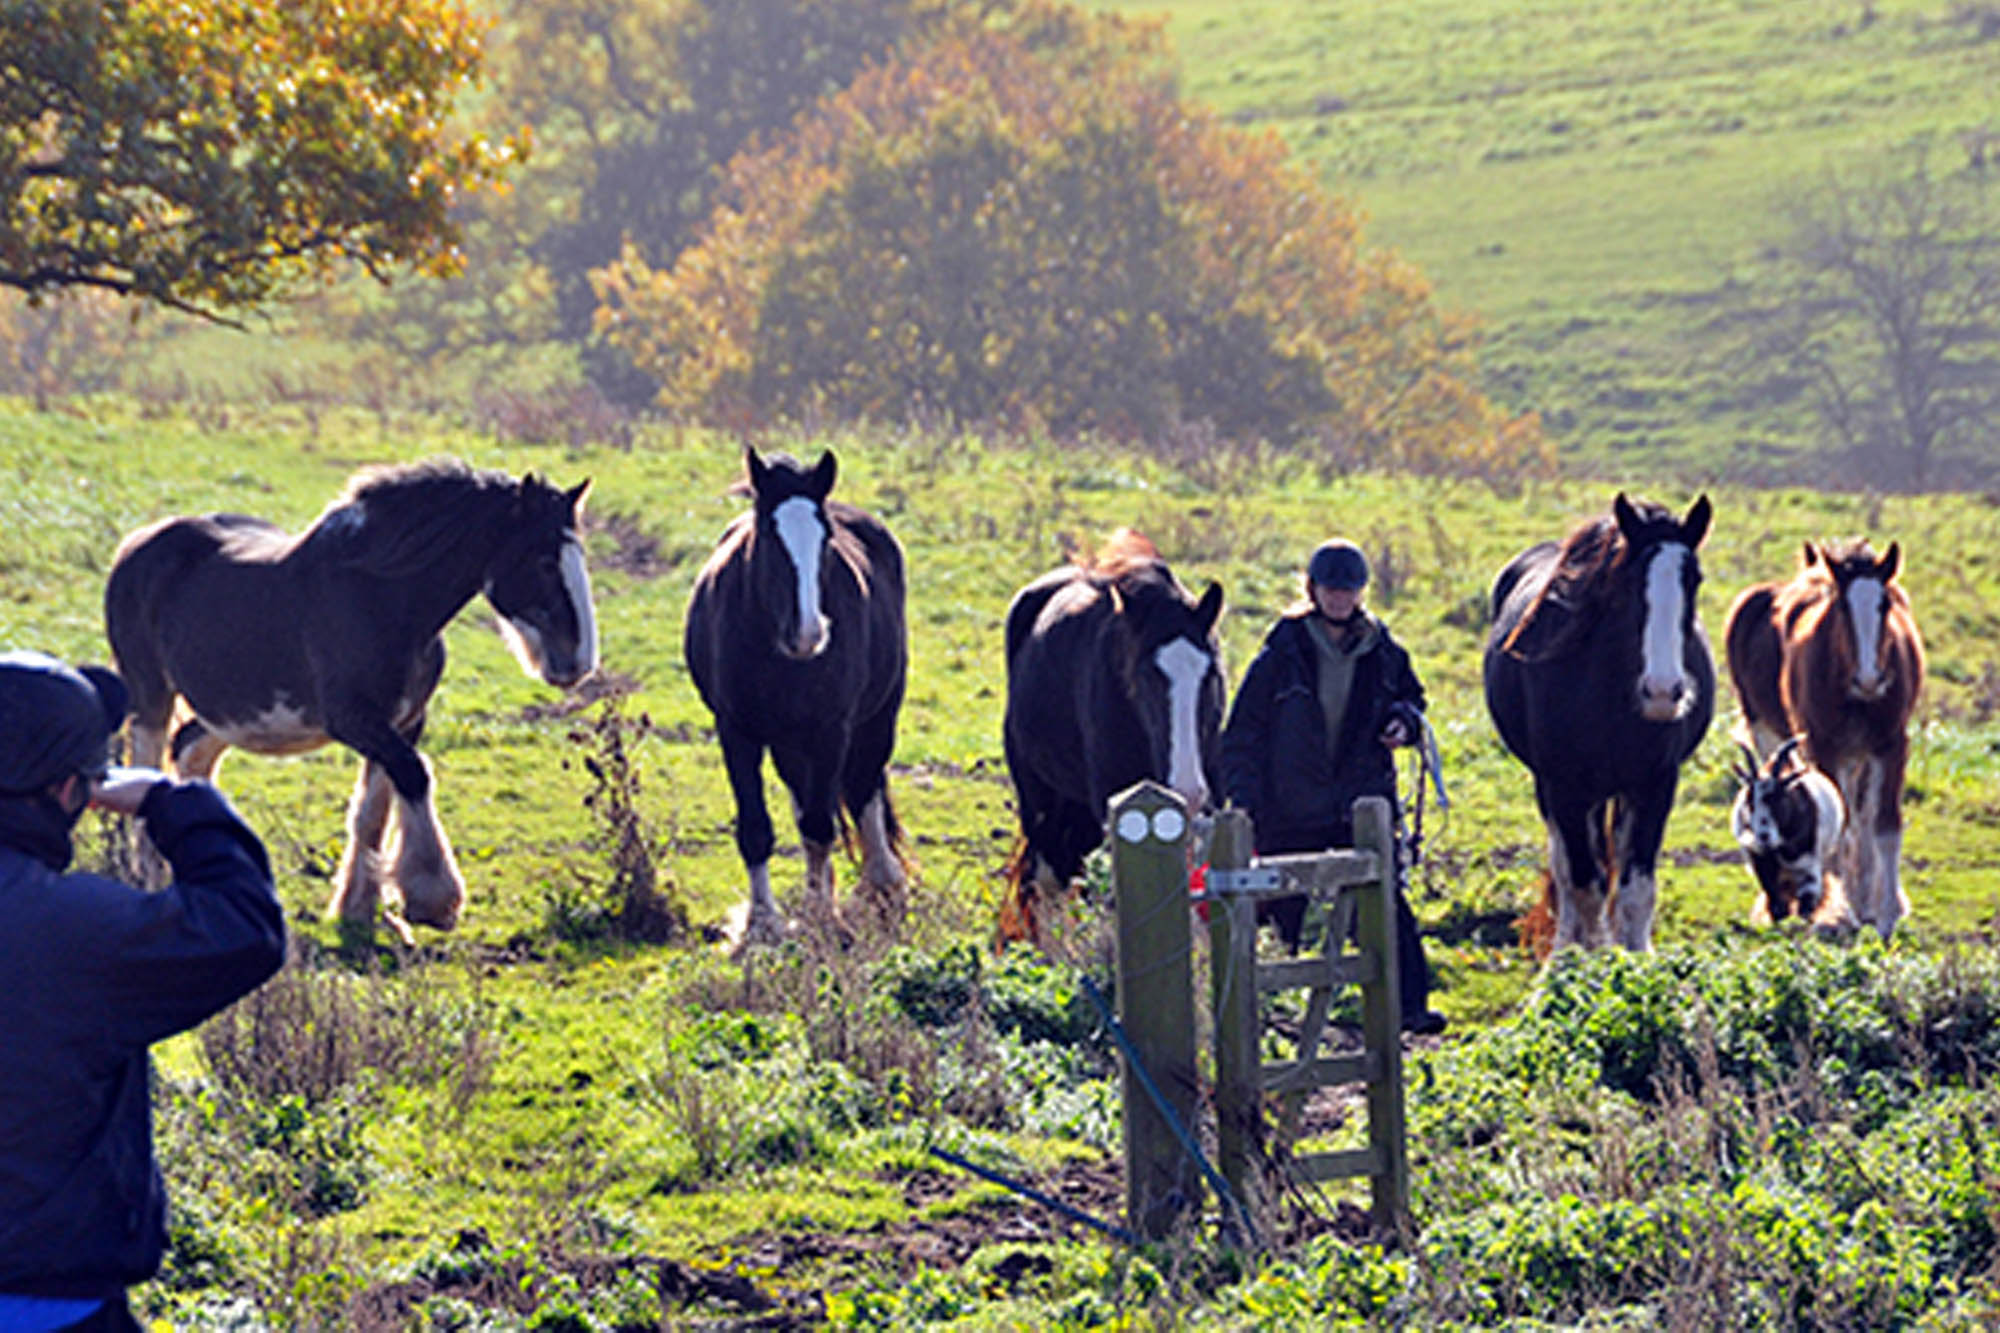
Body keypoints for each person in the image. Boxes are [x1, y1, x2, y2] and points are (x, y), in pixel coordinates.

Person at [0, 651, 284, 1331]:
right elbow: (245, 925)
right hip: (53, 1308)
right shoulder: (79, 931)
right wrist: (175, 802)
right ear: (72, 791)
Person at [1220, 540, 1447, 1035]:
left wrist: (1404, 722)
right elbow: (1243, 732)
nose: (1341, 599)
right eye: (1332, 590)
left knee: (1384, 904)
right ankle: (1272, 1015)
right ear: (1313, 590)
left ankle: (1407, 1007)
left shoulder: (1384, 650)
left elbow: (1413, 699)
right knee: (1282, 908)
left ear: (1361, 593)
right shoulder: (1281, 653)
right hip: (1289, 803)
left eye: (1349, 591)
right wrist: (1246, 800)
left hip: (1358, 803)